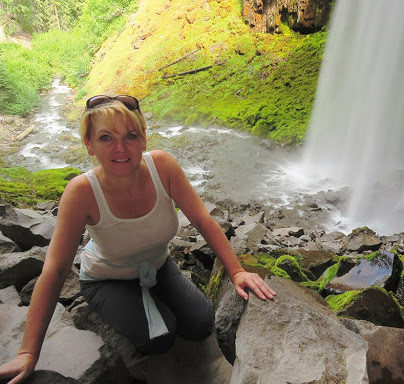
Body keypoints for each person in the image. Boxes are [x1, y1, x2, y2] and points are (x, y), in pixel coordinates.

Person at [0, 94, 276, 384]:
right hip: (106, 278)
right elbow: (55, 271)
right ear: (89, 144)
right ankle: (105, 307)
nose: (120, 148)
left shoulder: (163, 167)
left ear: (144, 139)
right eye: (106, 138)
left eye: (130, 135)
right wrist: (28, 352)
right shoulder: (81, 192)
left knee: (201, 324)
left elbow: (202, 220)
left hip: (157, 265)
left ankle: (152, 298)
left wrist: (237, 272)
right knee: (159, 338)